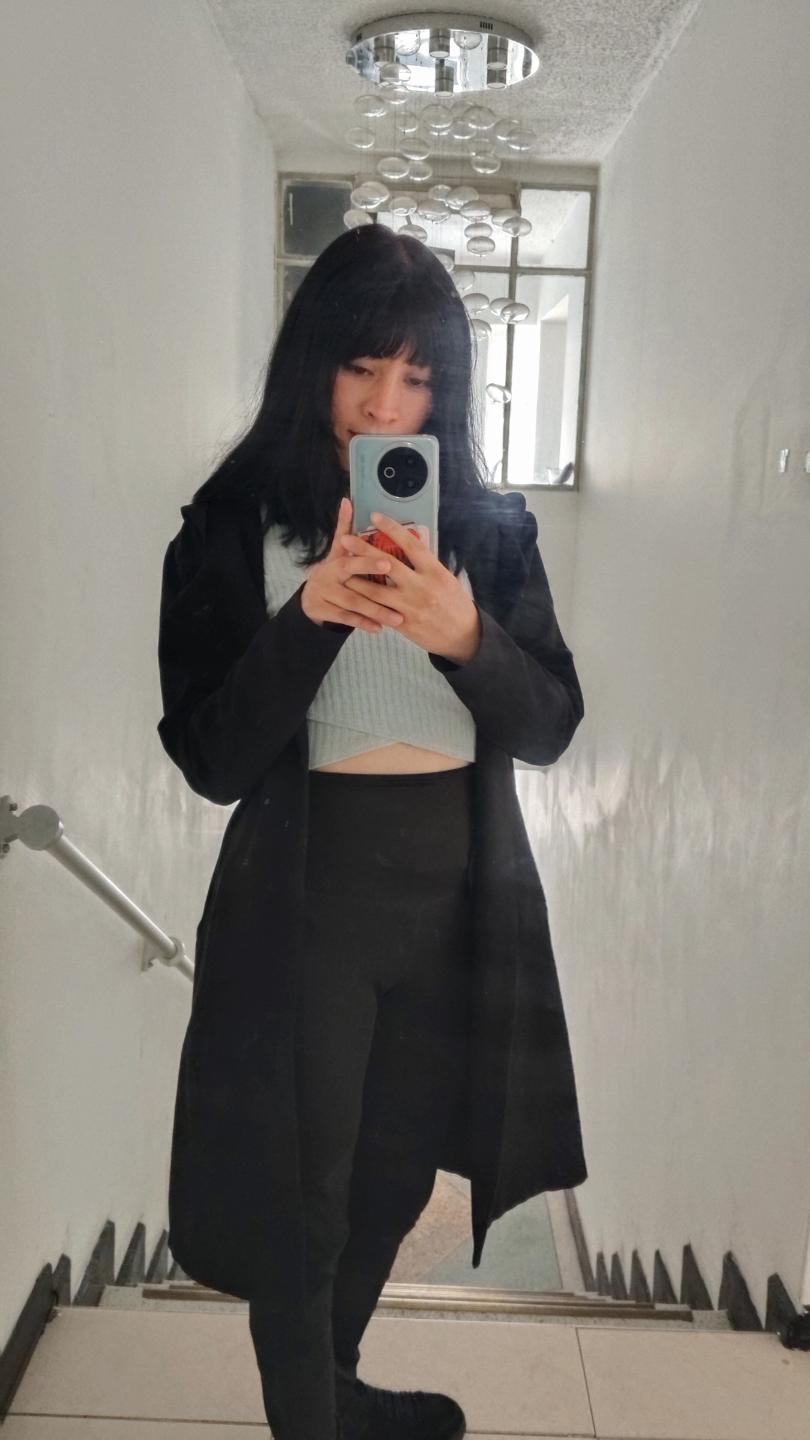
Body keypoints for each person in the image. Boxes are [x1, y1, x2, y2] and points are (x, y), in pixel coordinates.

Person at [156, 222, 587, 1440]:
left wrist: (466, 638)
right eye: (361, 368)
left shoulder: (489, 532)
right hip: (310, 904)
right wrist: (308, 620)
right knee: (302, 1197)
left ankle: (334, 1386)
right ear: (314, 364)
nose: (388, 405)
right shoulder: (228, 527)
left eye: (418, 376)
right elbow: (210, 757)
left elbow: (551, 724)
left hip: (456, 909)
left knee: (395, 1179)